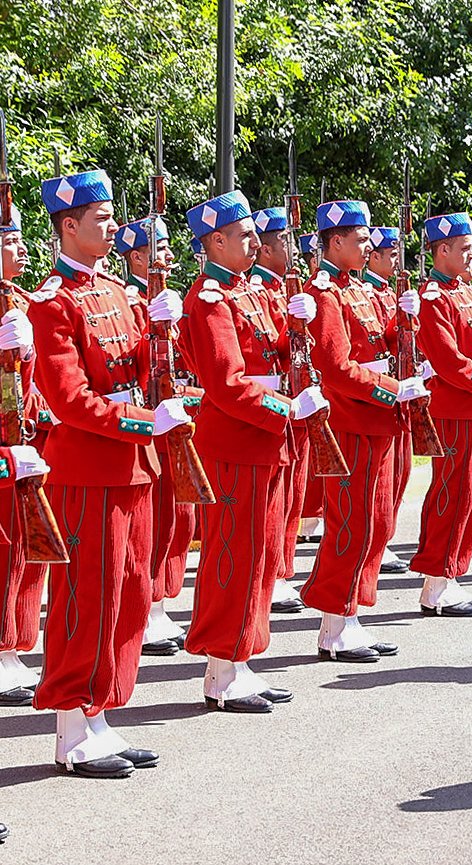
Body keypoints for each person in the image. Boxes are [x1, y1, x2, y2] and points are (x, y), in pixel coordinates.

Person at [31, 169, 190, 777]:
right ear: (68, 226)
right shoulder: (52, 303)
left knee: (128, 596)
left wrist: (161, 331)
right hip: (89, 469)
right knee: (86, 600)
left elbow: (145, 376)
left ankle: (100, 715)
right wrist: (145, 422)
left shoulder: (121, 293)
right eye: (101, 219)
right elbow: (70, 400)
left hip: (133, 469)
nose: (113, 226)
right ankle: (71, 729)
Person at [181, 190, 326, 713]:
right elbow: (225, 383)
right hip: (238, 440)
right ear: (215, 241)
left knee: (263, 554)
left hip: (267, 438)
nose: (256, 242)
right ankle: (221, 666)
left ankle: (241, 659)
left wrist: (298, 329)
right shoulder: (208, 300)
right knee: (233, 556)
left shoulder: (253, 292)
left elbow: (278, 356)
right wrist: (287, 409)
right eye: (244, 235)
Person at [296, 200, 426, 660]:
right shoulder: (325, 293)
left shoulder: (356, 289)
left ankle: (350, 613)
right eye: (360, 237)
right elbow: (336, 368)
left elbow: (377, 343)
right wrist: (394, 390)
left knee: (377, 520)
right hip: (352, 419)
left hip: (376, 418)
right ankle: (334, 622)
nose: (369, 244)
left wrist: (403, 322)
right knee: (351, 523)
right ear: (335, 241)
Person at [410, 212, 472, 615]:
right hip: (453, 405)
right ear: (443, 250)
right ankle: (435, 580)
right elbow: (449, 360)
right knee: (451, 491)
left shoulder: (467, 292)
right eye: (466, 250)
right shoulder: (433, 297)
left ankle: (451, 573)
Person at [114, 216, 199, 656]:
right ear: (137, 258)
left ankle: (160, 603)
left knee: (179, 518)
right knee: (155, 519)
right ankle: (145, 607)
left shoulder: (167, 298)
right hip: (146, 420)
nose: (167, 256)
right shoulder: (127, 300)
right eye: (159, 250)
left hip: (175, 414)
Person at [0, 203, 52, 707]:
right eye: (8, 241)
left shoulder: (21, 302)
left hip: (25, 444)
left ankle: (14, 647)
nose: (20, 248)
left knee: (26, 553)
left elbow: (31, 391)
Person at [247, 206, 307, 615]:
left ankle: (280, 570)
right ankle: (274, 572)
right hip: (264, 410)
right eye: (284, 241)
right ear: (267, 250)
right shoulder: (253, 290)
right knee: (266, 512)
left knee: (291, 496)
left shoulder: (279, 289)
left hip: (287, 404)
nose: (293, 248)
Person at [362, 226, 414, 576]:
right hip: (368, 400)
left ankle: (383, 540)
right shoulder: (361, 291)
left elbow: (386, 340)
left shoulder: (376, 292)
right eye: (390, 253)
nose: (396, 260)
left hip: (393, 394)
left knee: (399, 475)